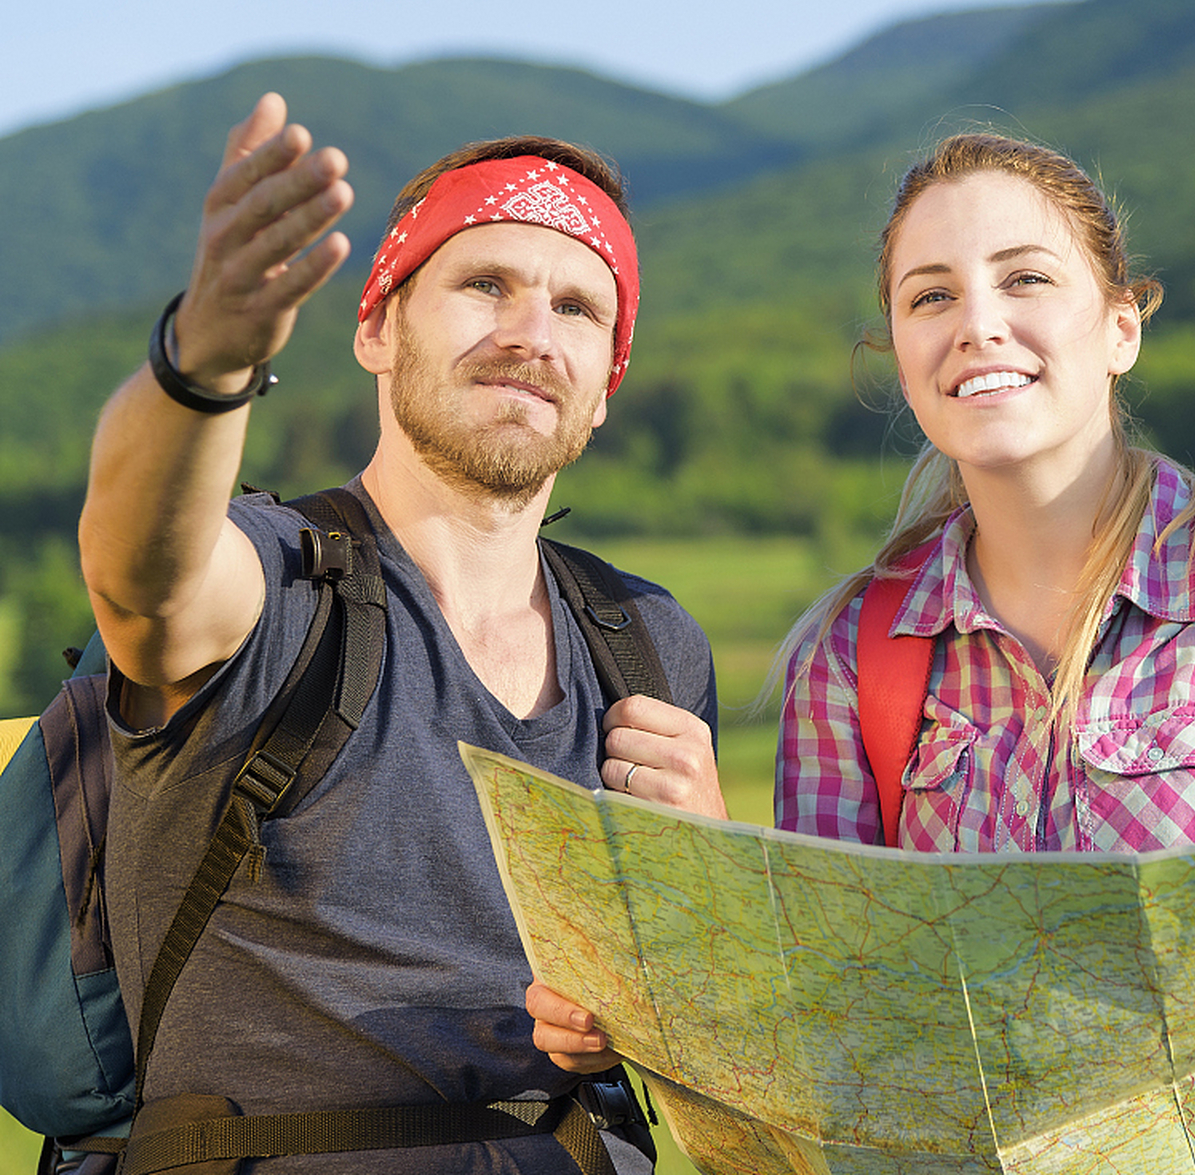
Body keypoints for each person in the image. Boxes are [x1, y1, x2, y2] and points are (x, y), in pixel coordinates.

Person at [530, 133, 1195, 1074]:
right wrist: (692, 920)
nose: (978, 325)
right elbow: (835, 1030)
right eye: (931, 296)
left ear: (1120, 327)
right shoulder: (854, 655)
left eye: (1024, 279)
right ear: (897, 354)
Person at [78, 92, 725, 1172]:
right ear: (378, 325)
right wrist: (205, 360)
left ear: (605, 385)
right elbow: (143, 572)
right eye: (486, 284)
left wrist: (706, 889)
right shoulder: (278, 581)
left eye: (577, 307)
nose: (531, 331)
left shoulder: (649, 647)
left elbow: (714, 1035)